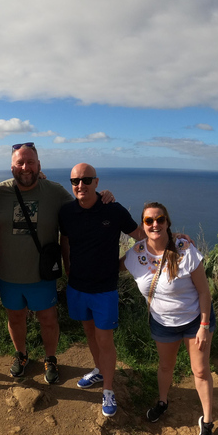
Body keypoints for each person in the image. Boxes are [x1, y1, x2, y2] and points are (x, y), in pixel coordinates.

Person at [122, 202, 216, 435]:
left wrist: (204, 326)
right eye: (149, 220)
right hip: (163, 323)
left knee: (200, 371)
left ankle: (207, 422)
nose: (155, 224)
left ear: (167, 223)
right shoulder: (136, 254)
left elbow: (204, 293)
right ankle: (163, 402)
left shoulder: (184, 249)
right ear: (142, 225)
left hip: (195, 319)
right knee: (165, 366)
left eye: (160, 219)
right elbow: (109, 270)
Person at [58, 163, 142, 416]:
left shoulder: (113, 210)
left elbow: (141, 236)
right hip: (77, 286)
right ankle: (98, 370)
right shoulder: (66, 212)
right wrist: (67, 266)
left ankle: (108, 390)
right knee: (89, 333)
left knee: (105, 339)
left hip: (105, 289)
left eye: (86, 180)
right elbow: (65, 240)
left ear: (97, 182)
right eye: (75, 181)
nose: (80, 185)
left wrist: (124, 264)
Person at [0, 143, 73, 383]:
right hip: (8, 275)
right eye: (20, 163)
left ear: (39, 165)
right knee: (15, 318)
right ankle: (21, 354)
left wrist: (104, 198)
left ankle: (50, 358)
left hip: (42, 275)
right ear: (12, 167)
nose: (25, 167)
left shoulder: (55, 192)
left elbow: (83, 209)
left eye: (30, 162)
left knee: (48, 319)